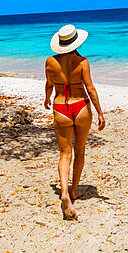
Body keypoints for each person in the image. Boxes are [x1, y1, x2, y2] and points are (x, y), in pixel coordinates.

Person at [44, 23, 105, 220]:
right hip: (80, 107)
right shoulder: (83, 62)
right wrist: (100, 113)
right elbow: (90, 89)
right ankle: (75, 190)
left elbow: (49, 85)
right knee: (79, 151)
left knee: (64, 153)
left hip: (61, 107)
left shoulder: (50, 62)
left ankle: (63, 192)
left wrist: (46, 99)